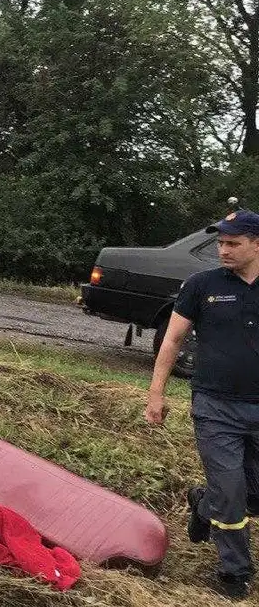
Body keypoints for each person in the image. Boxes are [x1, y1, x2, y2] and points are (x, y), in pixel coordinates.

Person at [146, 208, 259, 600]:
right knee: (231, 492)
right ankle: (234, 572)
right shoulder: (202, 284)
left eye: (233, 243)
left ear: (257, 244)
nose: (223, 251)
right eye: (221, 243)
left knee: (252, 493)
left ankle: (202, 503)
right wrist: (156, 393)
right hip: (216, 407)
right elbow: (173, 341)